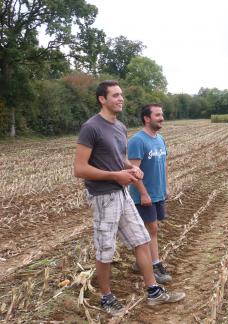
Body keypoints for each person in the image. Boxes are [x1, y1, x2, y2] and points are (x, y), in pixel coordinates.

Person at [73, 80, 185, 316]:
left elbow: (118, 159)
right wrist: (116, 175)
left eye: (121, 95)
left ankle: (154, 291)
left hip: (122, 193)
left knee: (142, 239)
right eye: (115, 95)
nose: (120, 99)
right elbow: (80, 169)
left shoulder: (120, 127)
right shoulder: (91, 127)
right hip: (103, 196)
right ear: (102, 99)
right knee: (105, 249)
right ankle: (106, 297)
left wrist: (130, 169)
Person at [128, 104, 171, 283]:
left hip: (158, 193)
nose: (162, 118)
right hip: (144, 196)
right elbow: (133, 171)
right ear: (147, 118)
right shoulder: (138, 140)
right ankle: (155, 265)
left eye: (162, 114)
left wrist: (165, 188)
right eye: (158, 115)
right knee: (152, 229)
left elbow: (163, 165)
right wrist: (143, 194)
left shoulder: (160, 139)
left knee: (149, 230)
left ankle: (141, 262)